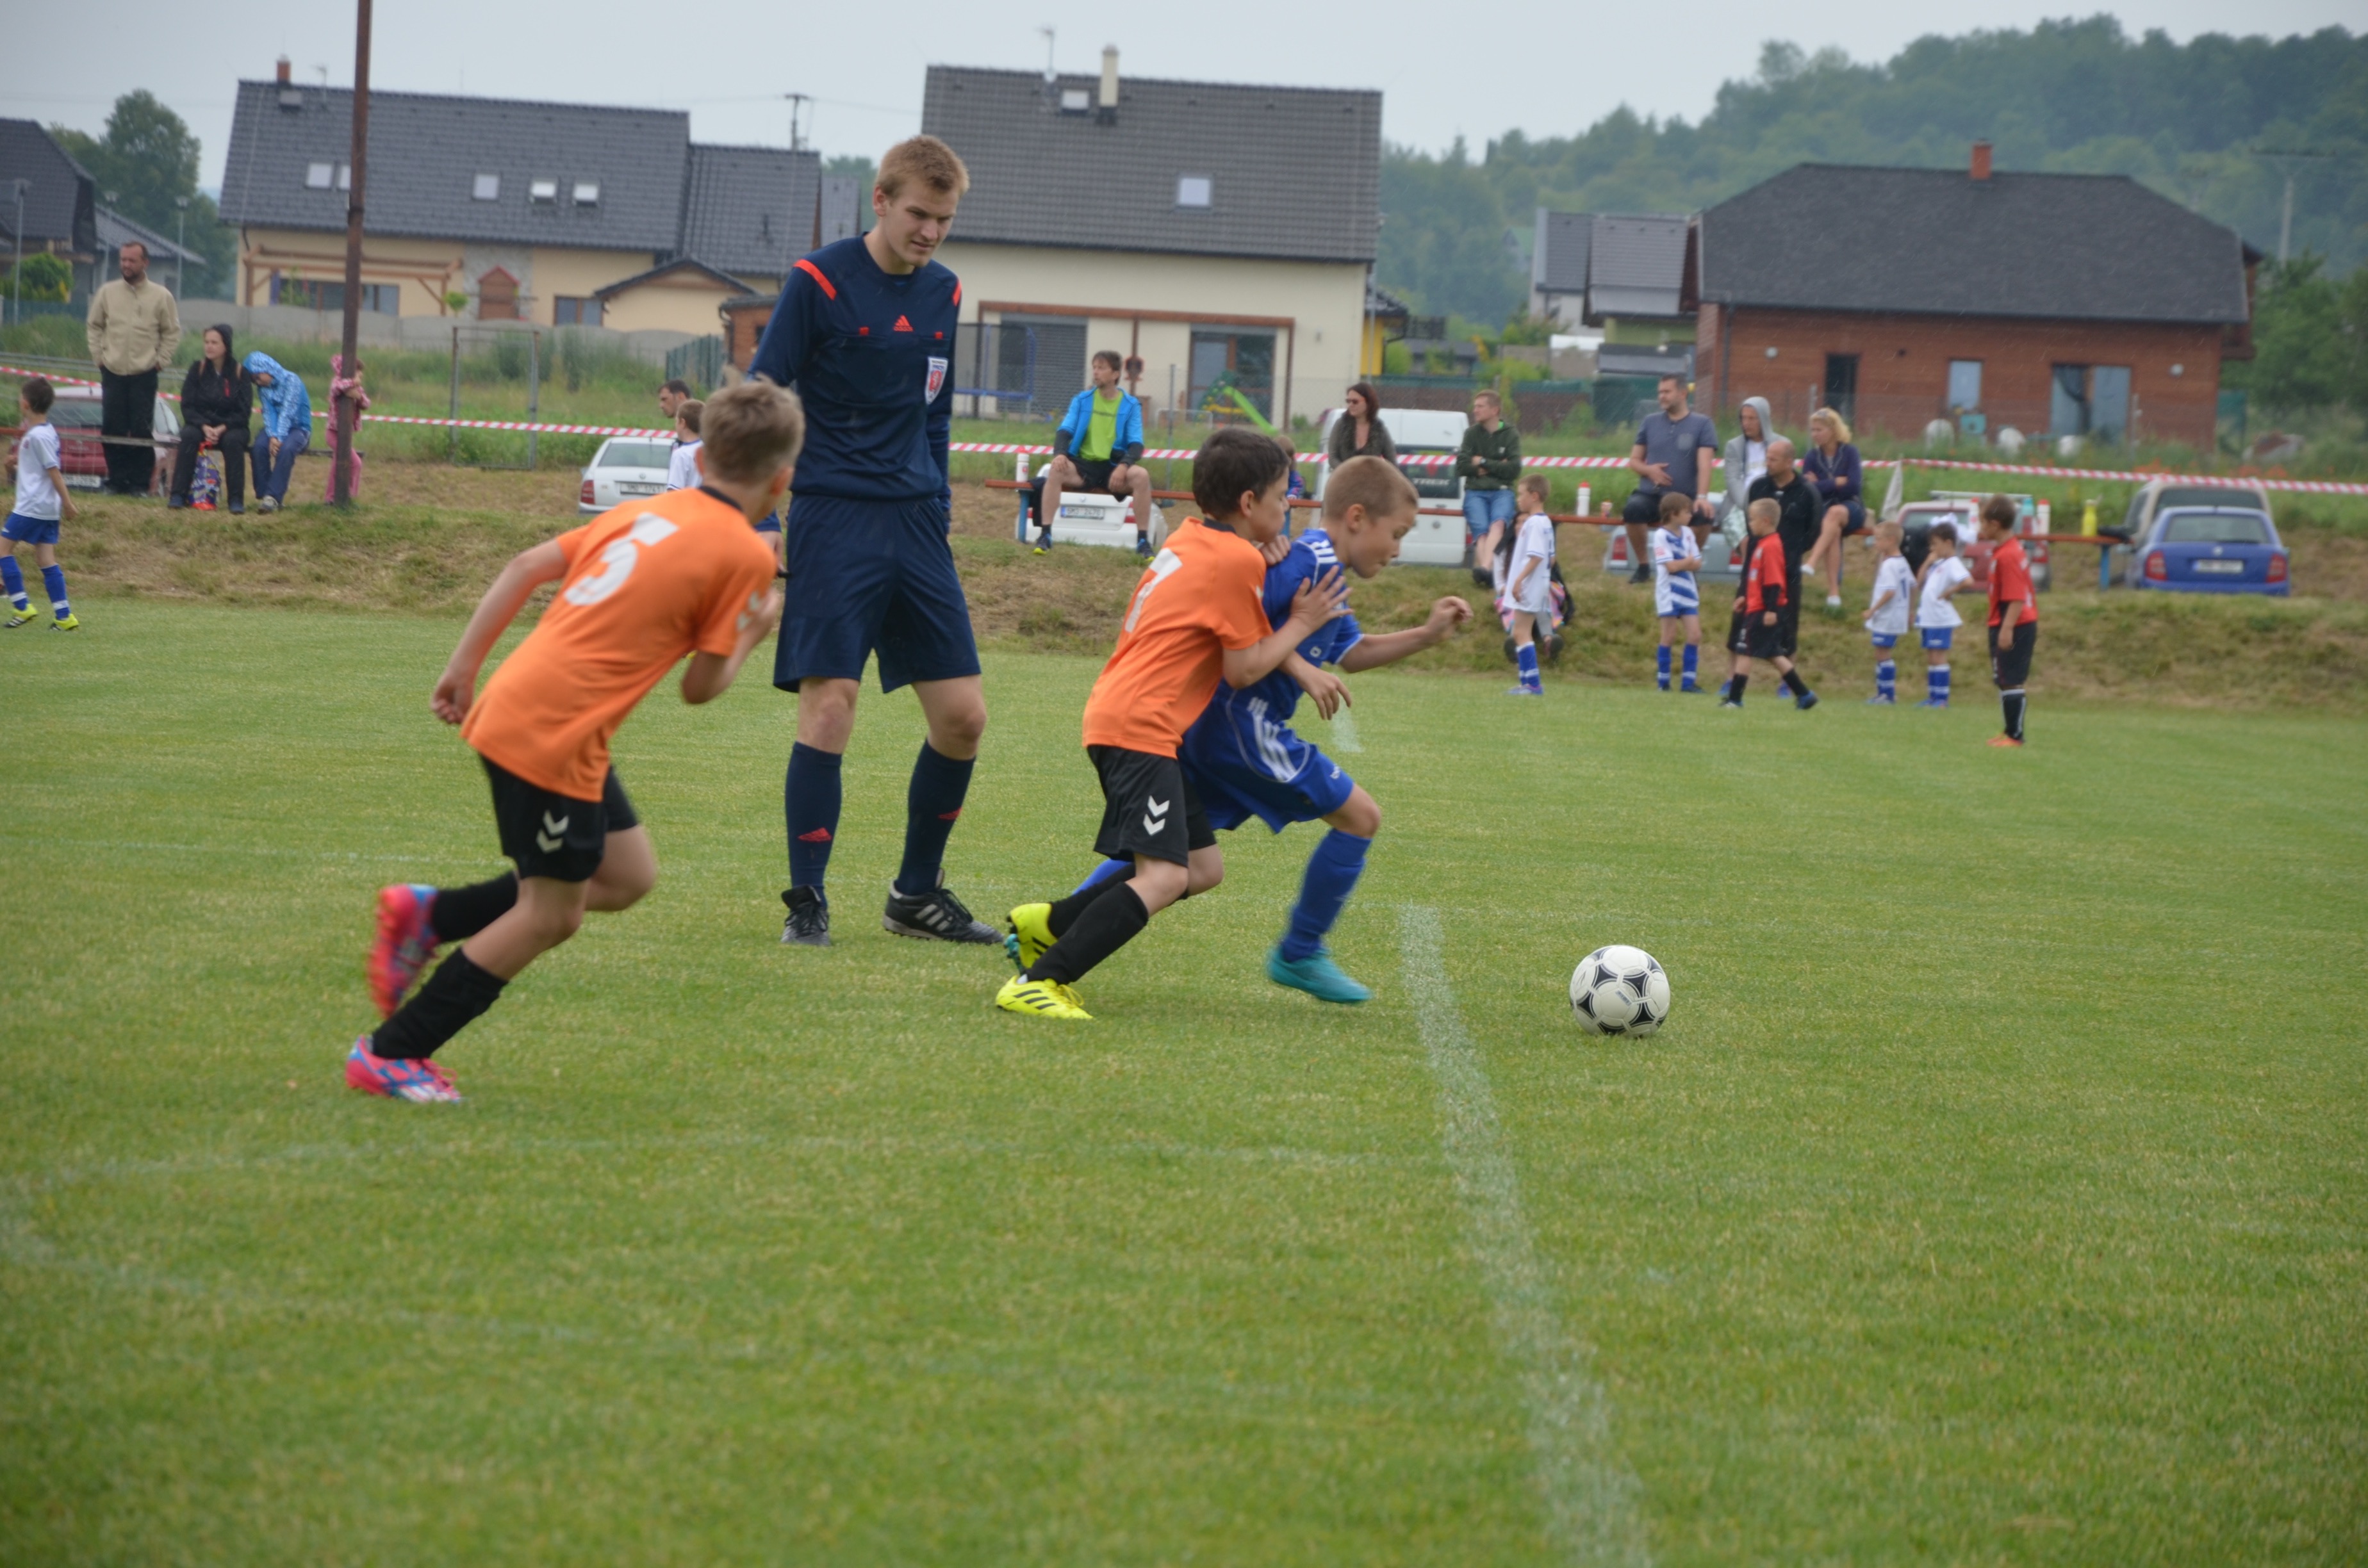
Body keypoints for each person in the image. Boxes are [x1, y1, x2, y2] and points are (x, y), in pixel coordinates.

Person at [349, 380, 796, 1102]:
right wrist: (755, 629)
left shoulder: (647, 510)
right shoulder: (745, 556)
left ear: (705, 453)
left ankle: (431, 916)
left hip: (534, 708)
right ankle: (392, 1052)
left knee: (626, 876)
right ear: (781, 480)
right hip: (551, 731)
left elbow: (525, 567)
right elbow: (699, 688)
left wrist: (463, 669)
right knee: (551, 913)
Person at [1049, 457, 1468, 1005]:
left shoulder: (1322, 568)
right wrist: (1298, 665)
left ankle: (1053, 929)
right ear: (1357, 517)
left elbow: (1353, 652)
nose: (1397, 549)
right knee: (1361, 816)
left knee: (1169, 850)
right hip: (1240, 723)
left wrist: (1427, 635)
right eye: (1398, 533)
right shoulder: (1302, 562)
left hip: (1211, 725)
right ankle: (1300, 952)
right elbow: (1241, 623)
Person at [993, 427, 1350, 1020]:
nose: (1288, 506)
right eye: (1281, 496)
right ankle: (1039, 981)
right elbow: (1243, 670)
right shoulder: (1236, 559)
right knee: (1162, 877)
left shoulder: (1192, 537)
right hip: (1141, 726)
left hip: (1128, 716)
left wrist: (1260, 555)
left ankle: (1049, 923)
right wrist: (1303, 623)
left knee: (1202, 869)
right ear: (1248, 502)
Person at [749, 135, 998, 950]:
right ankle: (807, 903)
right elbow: (760, 398)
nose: (930, 232)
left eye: (945, 220)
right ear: (881, 201)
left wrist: (940, 500)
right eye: (919, 214)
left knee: (963, 718)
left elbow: (936, 409)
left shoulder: (945, 291)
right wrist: (762, 521)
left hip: (917, 522)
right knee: (831, 707)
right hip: (832, 517)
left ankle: (914, 896)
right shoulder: (817, 281)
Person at [85, 241, 181, 497]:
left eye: (132, 260)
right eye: (123, 260)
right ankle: (117, 481)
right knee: (112, 428)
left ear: (145, 263)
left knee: (141, 430)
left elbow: (171, 332)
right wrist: (99, 358)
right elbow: (94, 326)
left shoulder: (161, 296)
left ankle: (139, 485)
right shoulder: (107, 293)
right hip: (113, 371)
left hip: (144, 373)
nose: (126, 265)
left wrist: (160, 361)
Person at [1037, 350, 1151, 555]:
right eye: (1094, 368)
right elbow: (1064, 431)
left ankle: (1143, 542)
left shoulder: (1131, 405)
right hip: (1083, 466)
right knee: (1056, 470)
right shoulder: (1082, 400)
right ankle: (1045, 535)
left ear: (1115, 374)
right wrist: (1060, 454)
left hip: (1113, 468)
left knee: (1142, 476)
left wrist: (1123, 466)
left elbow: (1137, 445)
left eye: (1101, 368)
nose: (1096, 372)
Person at [1720, 498, 1816, 710]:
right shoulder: (1762, 544)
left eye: (1752, 519)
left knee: (1744, 651)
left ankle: (1735, 699)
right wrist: (1746, 598)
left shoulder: (1771, 546)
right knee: (1774, 655)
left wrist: (1771, 610)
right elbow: (1759, 580)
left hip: (1762, 610)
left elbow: (1774, 582)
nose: (1750, 524)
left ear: (1765, 521)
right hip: (1756, 606)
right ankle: (1804, 695)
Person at [1623, 373, 1716, 582]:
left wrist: (1702, 497)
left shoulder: (1703, 424)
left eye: (1667, 392)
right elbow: (1634, 461)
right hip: (1651, 495)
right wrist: (1649, 471)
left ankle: (1687, 567)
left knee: (1704, 515)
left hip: (1684, 498)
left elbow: (1705, 465)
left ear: (1683, 393)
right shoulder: (1650, 422)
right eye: (1660, 392)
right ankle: (1643, 567)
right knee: (1632, 509)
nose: (1661, 397)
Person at [3, 377, 79, 630]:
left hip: (32, 507)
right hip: (46, 508)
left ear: (25, 404)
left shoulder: (38, 437)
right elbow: (38, 471)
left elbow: (53, 472)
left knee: (2, 550)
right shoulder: (44, 432)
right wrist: (16, 466)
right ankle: (64, 616)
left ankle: (22, 606)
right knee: (46, 559)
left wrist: (68, 503)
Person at [1745, 437, 1821, 664]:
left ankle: (1787, 679)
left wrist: (1790, 553)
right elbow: (1749, 525)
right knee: (1744, 625)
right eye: (1767, 458)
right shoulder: (1759, 487)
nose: (1767, 463)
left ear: (1789, 462)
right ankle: (1736, 676)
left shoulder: (1807, 493)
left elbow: (1813, 531)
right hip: (1757, 569)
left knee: (1788, 626)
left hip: (1789, 570)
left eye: (1773, 459)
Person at [169, 326, 252, 514]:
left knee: (233, 441)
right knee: (189, 436)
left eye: (214, 343)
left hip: (231, 426)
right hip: (202, 424)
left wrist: (223, 427)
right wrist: (204, 426)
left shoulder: (240, 372)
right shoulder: (197, 369)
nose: (209, 346)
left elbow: (244, 411)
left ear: (226, 346)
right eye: (206, 342)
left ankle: (236, 500)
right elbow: (187, 405)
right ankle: (178, 495)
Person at [1980, 494, 2038, 747]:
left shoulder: (2009, 555)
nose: (1981, 528)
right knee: (2004, 679)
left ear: (1995, 524)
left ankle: (2016, 735)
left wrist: (2006, 629)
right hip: (2005, 621)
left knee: (2012, 678)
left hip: (2015, 623)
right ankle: (2008, 731)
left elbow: (2016, 598)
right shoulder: (2006, 550)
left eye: (1983, 522)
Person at [1800, 405, 1865, 612]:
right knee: (1833, 528)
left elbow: (1854, 486)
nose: (1815, 434)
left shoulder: (1850, 452)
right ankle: (1834, 594)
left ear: (1833, 430)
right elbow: (1807, 489)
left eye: (1819, 430)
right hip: (1826, 511)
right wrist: (1836, 482)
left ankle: (1812, 561)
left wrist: (1822, 484)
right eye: (1813, 430)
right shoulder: (1812, 456)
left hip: (1852, 507)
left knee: (1835, 513)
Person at [1499, 473, 1555, 696]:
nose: (1518, 499)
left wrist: (1519, 579)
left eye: (1521, 494)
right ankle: (1526, 683)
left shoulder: (1534, 523)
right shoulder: (1546, 522)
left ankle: (1532, 684)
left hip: (1529, 586)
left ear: (1534, 496)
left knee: (1522, 632)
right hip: (1537, 584)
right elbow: (1551, 558)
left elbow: (1537, 556)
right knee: (1519, 632)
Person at [1456, 390, 1520, 583]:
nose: (1475, 410)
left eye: (1480, 406)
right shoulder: (1471, 434)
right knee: (1481, 531)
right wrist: (1498, 465)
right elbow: (1461, 467)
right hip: (1475, 492)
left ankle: (1484, 569)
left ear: (1495, 410)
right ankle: (1489, 572)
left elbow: (1514, 470)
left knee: (1498, 523)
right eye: (1475, 406)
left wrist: (1483, 462)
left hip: (1502, 491)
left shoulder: (1510, 435)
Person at [1913, 521, 1974, 708]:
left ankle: (1941, 699)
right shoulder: (1938, 564)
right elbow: (1918, 583)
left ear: (1948, 543)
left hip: (1940, 618)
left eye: (1935, 544)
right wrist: (1927, 562)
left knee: (1939, 657)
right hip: (1929, 618)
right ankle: (1933, 697)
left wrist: (1950, 592)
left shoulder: (1953, 563)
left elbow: (1968, 581)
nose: (1932, 548)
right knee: (1932, 657)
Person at [242, 350, 311, 514]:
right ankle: (265, 493)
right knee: (259, 447)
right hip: (274, 430)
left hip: (298, 429)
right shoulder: (264, 389)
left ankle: (273, 497)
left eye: (258, 377)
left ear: (266, 368)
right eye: (254, 381)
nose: (258, 382)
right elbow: (269, 412)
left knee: (286, 449)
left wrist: (278, 438)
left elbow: (288, 412)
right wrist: (273, 436)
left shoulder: (292, 381)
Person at [1650, 490, 1704, 692]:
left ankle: (1688, 683)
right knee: (1669, 636)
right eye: (1687, 512)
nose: (1690, 515)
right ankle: (1663, 683)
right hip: (1669, 593)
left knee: (1695, 635)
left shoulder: (1688, 534)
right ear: (1673, 514)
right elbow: (1670, 567)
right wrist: (1687, 562)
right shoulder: (1661, 536)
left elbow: (1697, 563)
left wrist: (1685, 563)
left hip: (1688, 591)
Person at [1862, 519, 1913, 705]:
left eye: (1878, 539)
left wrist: (1872, 610)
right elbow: (1913, 585)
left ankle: (1886, 694)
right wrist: (1910, 610)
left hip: (1887, 616)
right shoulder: (1902, 562)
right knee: (1883, 653)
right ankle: (1885, 693)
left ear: (1891, 540)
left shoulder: (1890, 564)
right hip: (1896, 615)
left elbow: (1890, 591)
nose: (1875, 543)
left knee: (1882, 654)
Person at [1718, 396, 1779, 536]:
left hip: (1771, 504)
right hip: (1739, 505)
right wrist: (1750, 507)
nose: (1746, 423)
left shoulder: (1780, 444)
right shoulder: (1734, 446)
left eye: (1752, 419)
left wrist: (1764, 507)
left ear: (1764, 419)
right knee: (1744, 538)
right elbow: (1733, 480)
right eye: (1743, 418)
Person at [322, 354, 369, 501]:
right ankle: (348, 495)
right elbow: (337, 388)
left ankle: (332, 497)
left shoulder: (356, 388)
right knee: (355, 463)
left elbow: (366, 404)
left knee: (337, 466)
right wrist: (353, 382)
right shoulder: (337, 382)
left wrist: (358, 396)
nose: (361, 374)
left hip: (346, 434)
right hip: (333, 433)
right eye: (358, 371)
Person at [1325, 382, 1398, 469]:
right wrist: (1346, 472)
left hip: (1371, 477)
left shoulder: (1379, 428)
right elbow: (1333, 457)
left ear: (1368, 402)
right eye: (1348, 401)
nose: (1351, 405)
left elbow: (1392, 461)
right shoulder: (1341, 424)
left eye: (1355, 402)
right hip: (1344, 476)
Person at [664, 400, 703, 490]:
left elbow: (674, 492)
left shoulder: (681, 454)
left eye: (676, 421)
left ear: (683, 423)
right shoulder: (710, 451)